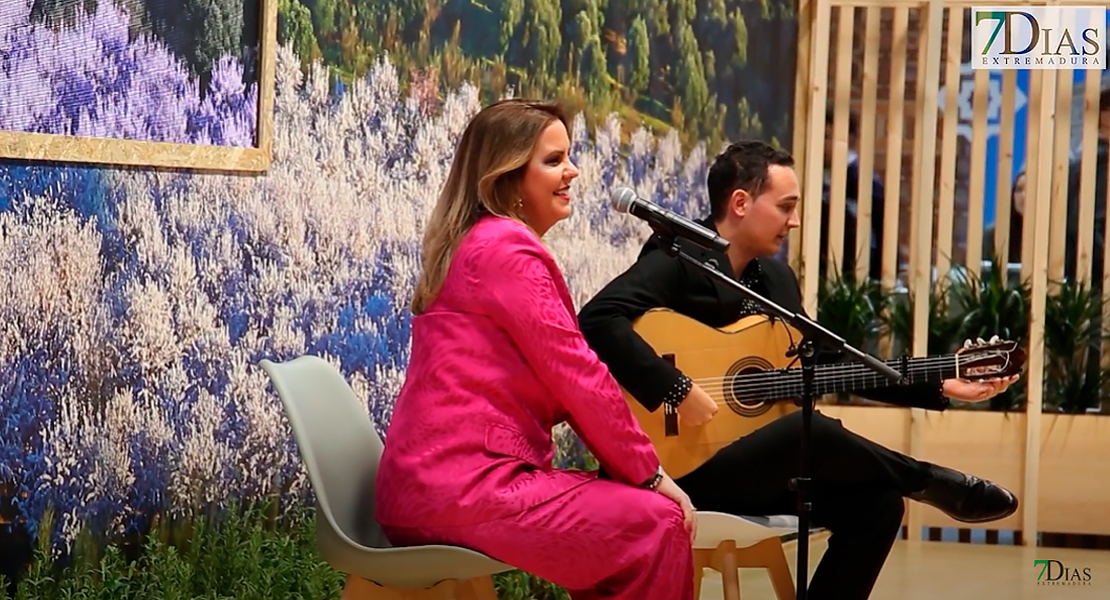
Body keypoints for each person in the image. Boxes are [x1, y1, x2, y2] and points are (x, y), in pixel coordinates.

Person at [578, 140, 1021, 600]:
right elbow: (597, 319)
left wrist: (941, 383)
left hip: (751, 470)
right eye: (786, 207)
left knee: (878, 505)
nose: (794, 221)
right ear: (741, 202)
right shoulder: (678, 260)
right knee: (807, 431)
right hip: (679, 470)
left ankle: (908, 487)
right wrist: (676, 388)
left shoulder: (776, 280)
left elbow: (829, 362)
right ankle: (928, 481)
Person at [374, 99, 696, 600]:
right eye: (553, 160)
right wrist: (650, 475)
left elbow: (562, 386)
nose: (573, 171)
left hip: (427, 490)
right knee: (659, 520)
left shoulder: (473, 244)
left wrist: (628, 450)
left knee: (629, 517)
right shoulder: (507, 250)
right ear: (506, 176)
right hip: (467, 490)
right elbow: (577, 375)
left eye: (569, 156)